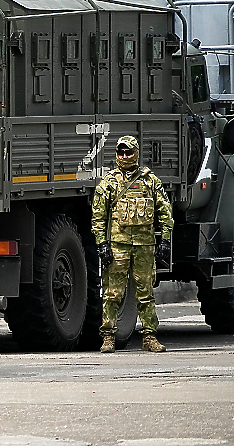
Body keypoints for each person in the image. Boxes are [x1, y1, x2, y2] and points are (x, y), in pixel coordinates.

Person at [91, 135, 173, 353]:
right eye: (121, 152)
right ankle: (108, 336)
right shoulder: (109, 182)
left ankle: (150, 336)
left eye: (128, 152)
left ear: (136, 153)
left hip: (144, 246)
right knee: (112, 293)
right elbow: (98, 216)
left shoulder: (150, 181)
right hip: (118, 245)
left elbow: (165, 211)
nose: (125, 156)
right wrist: (102, 244)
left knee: (145, 293)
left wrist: (165, 239)